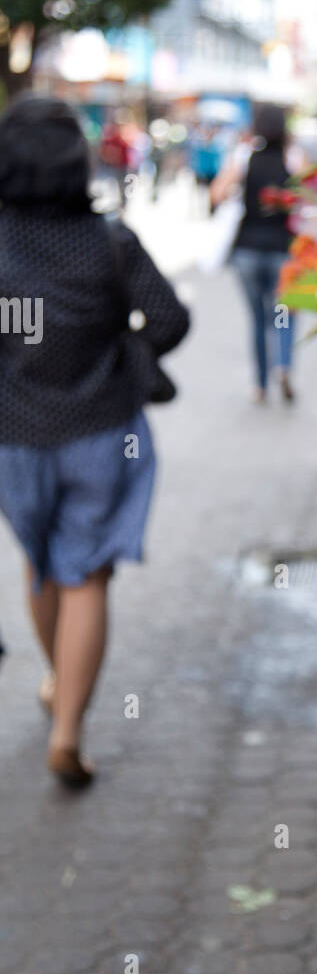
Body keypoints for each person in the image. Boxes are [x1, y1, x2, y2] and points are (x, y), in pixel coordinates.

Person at [0, 96, 190, 787]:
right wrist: (125, 351)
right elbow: (170, 319)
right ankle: (69, 729)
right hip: (103, 432)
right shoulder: (109, 239)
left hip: (14, 439)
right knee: (87, 577)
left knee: (42, 565)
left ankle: (59, 681)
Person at [213, 103, 296, 403]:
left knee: (259, 319)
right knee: (285, 313)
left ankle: (260, 385)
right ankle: (283, 365)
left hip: (247, 250)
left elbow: (217, 193)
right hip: (284, 250)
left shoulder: (243, 157)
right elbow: (314, 199)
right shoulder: (294, 158)